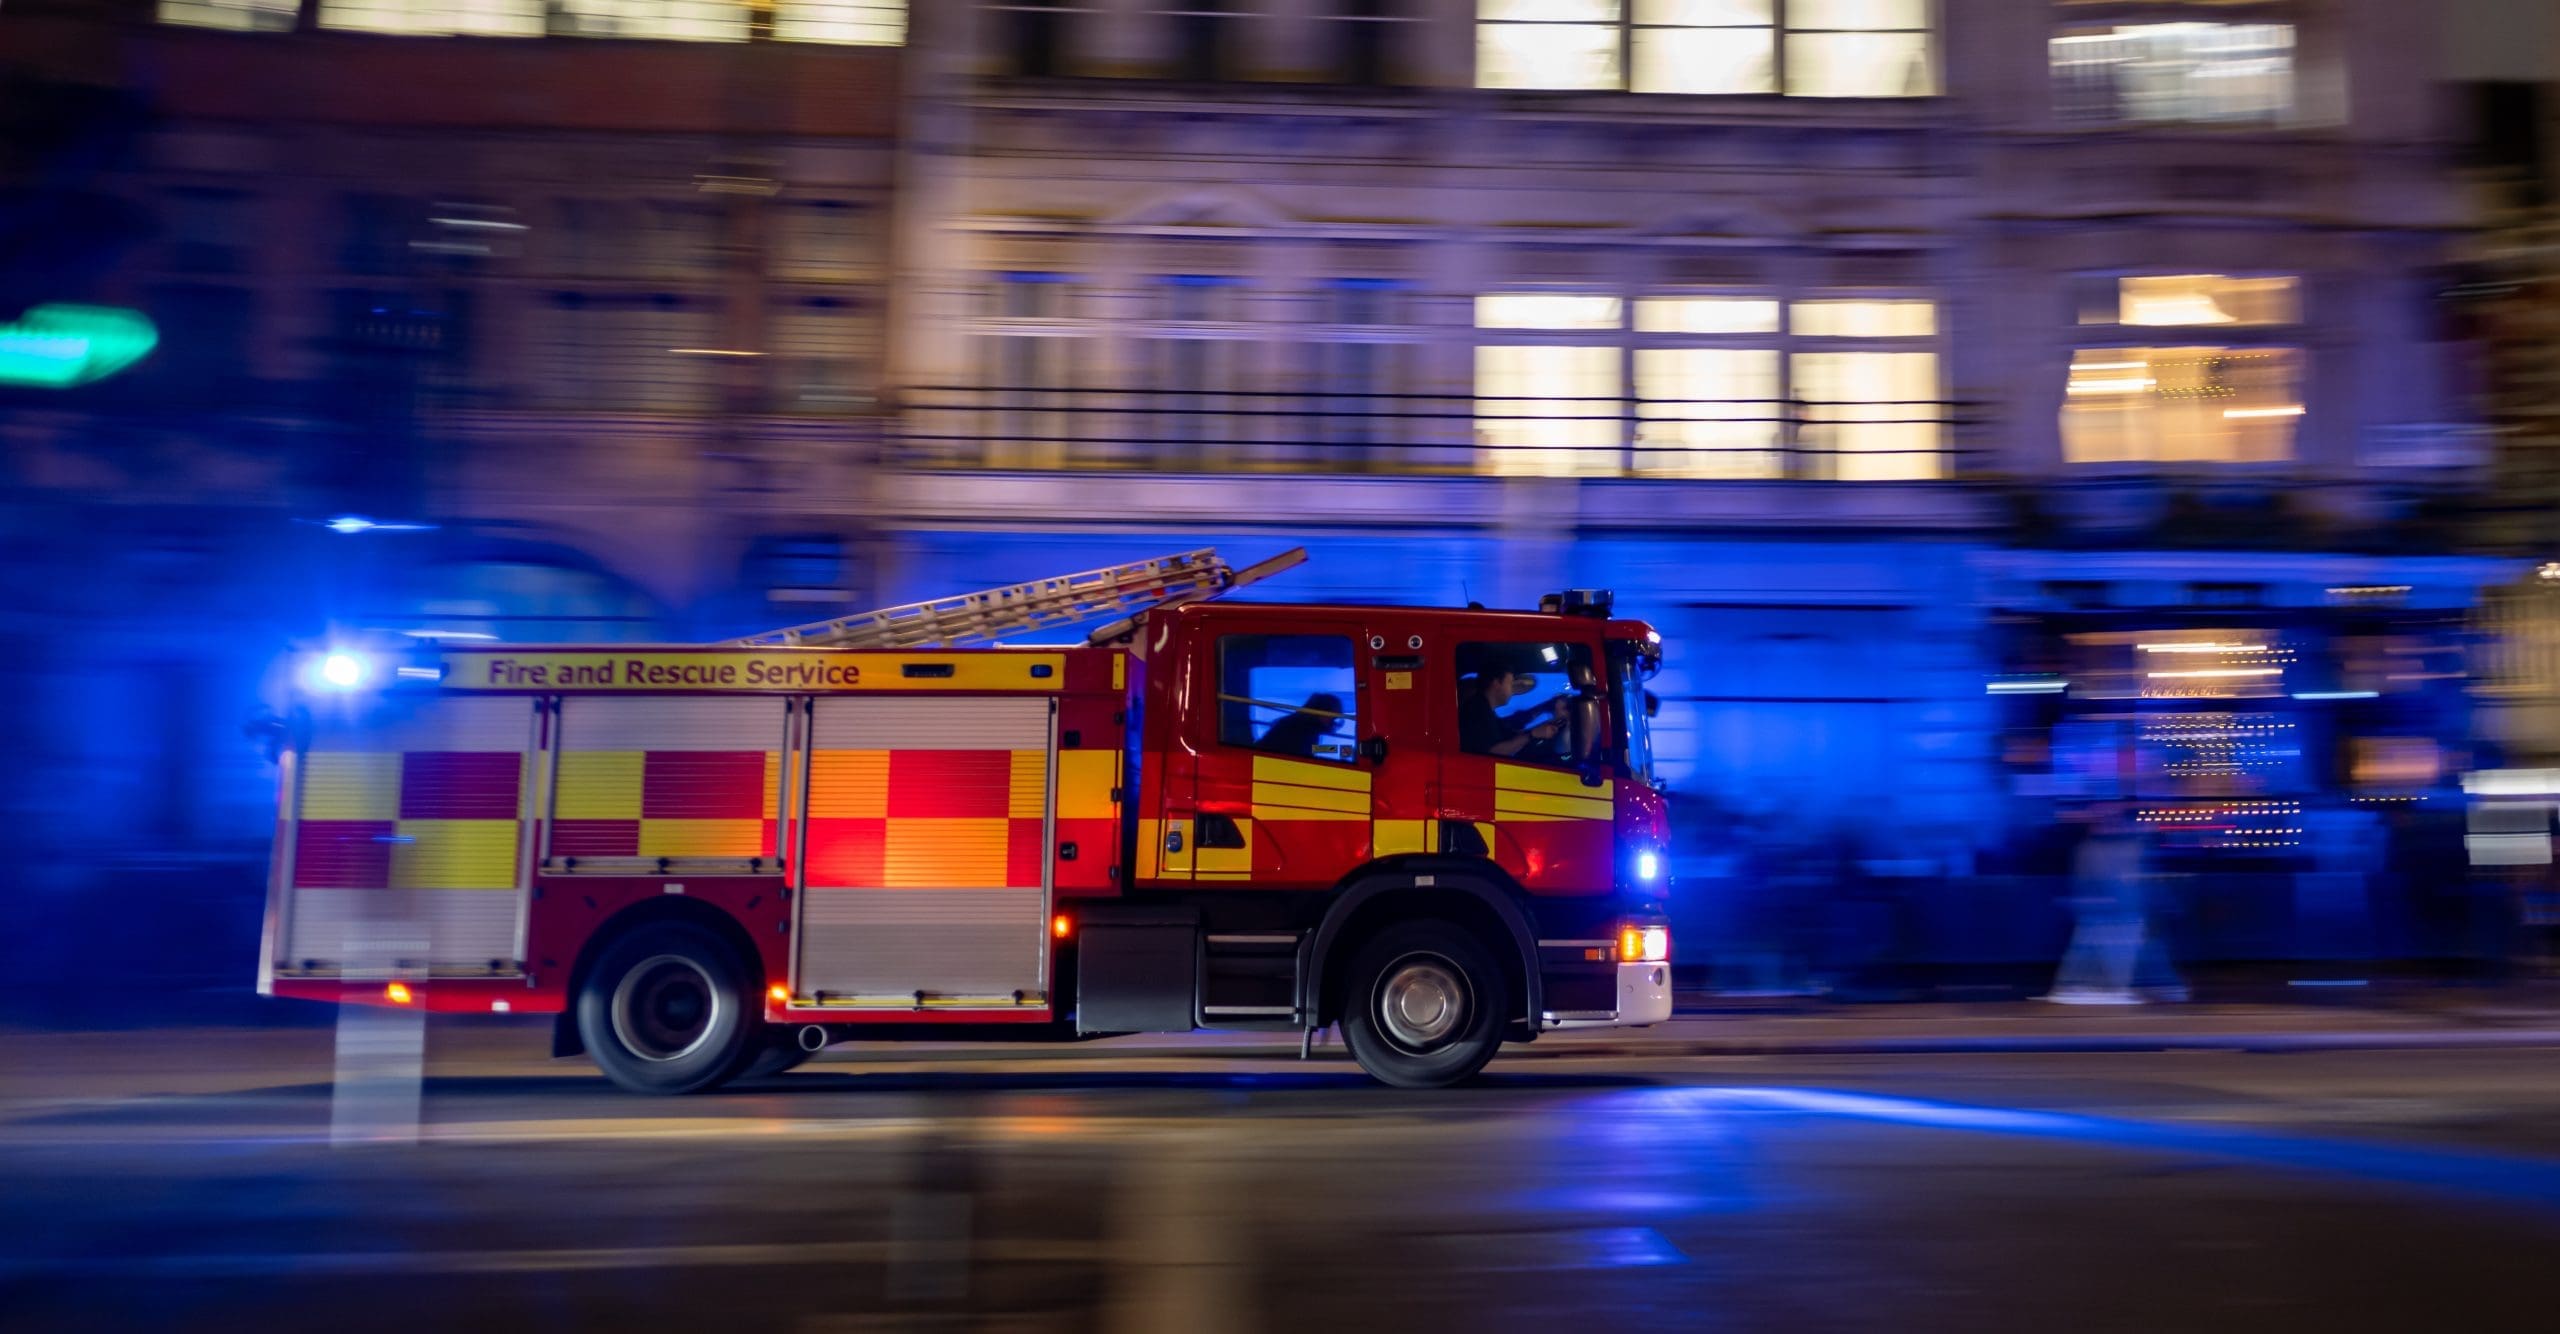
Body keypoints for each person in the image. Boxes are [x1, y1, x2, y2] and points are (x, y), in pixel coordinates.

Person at [1458, 671, 1561, 758]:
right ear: (1496, 684)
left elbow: (1511, 726)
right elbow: (1492, 753)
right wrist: (1532, 734)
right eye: (1510, 683)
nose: (1513, 688)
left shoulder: (1488, 713)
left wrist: (1543, 710)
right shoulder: (1476, 712)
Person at [1256, 693, 1343, 759]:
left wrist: (1339, 749)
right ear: (1320, 712)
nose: (1333, 722)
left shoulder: (1303, 725)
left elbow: (1313, 748)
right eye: (1333, 717)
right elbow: (1305, 752)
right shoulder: (1301, 730)